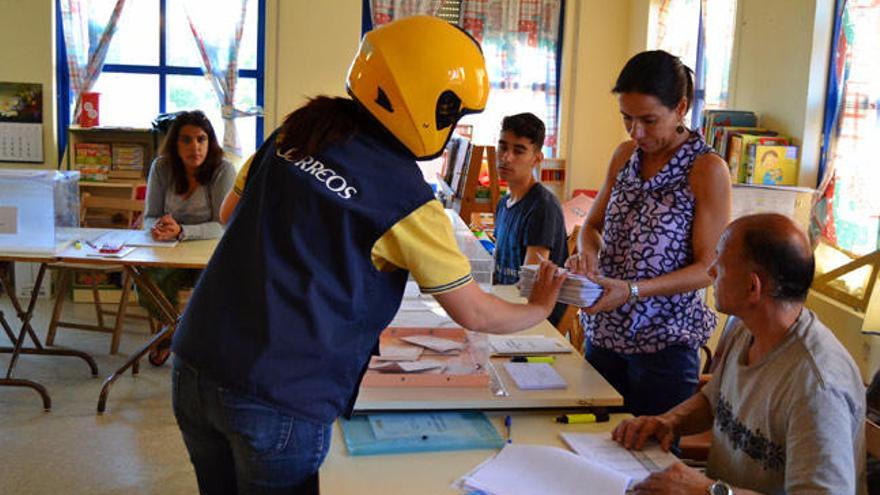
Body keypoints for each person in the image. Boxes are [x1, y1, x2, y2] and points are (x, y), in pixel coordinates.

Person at [170, 16, 566, 494]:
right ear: (430, 104)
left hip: (196, 359)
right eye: (455, 115)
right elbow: (474, 311)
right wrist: (540, 307)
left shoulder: (296, 132)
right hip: (279, 390)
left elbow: (233, 214)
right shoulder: (406, 197)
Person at [613, 213, 866, 495]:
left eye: (719, 265)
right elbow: (713, 401)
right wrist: (669, 421)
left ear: (752, 287)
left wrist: (709, 491)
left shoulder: (817, 387)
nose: (710, 272)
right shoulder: (747, 329)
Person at [567, 50, 731, 416]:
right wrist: (588, 252)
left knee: (651, 459)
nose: (636, 132)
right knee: (591, 442)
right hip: (605, 333)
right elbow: (591, 227)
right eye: (627, 118)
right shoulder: (625, 156)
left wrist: (633, 291)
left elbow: (709, 267)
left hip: (664, 347)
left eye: (649, 120)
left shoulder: (706, 170)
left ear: (682, 108)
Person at [141, 110, 235, 333]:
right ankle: (172, 329)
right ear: (175, 144)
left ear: (209, 142)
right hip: (169, 251)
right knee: (144, 280)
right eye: (186, 140)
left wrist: (182, 231)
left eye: (201, 139)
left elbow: (223, 225)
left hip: (210, 254)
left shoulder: (223, 169)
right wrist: (158, 228)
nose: (195, 147)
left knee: (220, 291)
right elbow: (149, 217)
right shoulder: (161, 167)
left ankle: (183, 335)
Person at [492, 112, 568, 326]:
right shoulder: (503, 204)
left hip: (534, 320)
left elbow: (530, 286)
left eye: (519, 151)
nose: (506, 157)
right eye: (503, 147)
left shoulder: (542, 207)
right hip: (507, 306)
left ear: (537, 158)